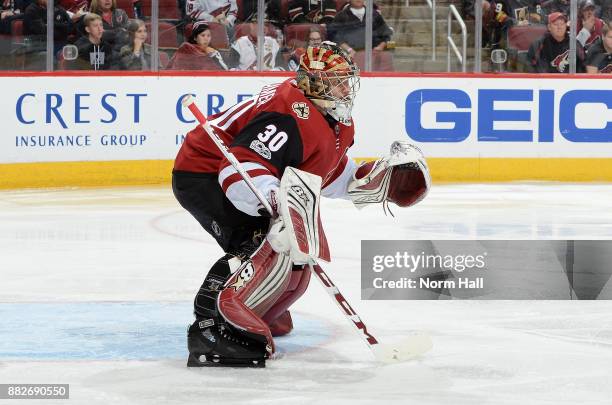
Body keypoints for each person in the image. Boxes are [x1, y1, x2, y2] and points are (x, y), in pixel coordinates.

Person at [172, 41, 430, 367]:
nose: (344, 87)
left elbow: (323, 172)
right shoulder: (288, 112)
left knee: (293, 249)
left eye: (346, 80)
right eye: (335, 80)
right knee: (260, 242)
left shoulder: (333, 118)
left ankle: (260, 305)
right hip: (203, 172)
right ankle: (215, 325)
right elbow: (240, 166)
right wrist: (276, 200)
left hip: (235, 172)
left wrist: (366, 180)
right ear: (313, 83)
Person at [327, 0, 392, 57]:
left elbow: (386, 35)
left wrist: (380, 47)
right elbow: (334, 37)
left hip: (374, 56)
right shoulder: (341, 16)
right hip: (350, 56)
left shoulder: (374, 14)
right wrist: (349, 50)